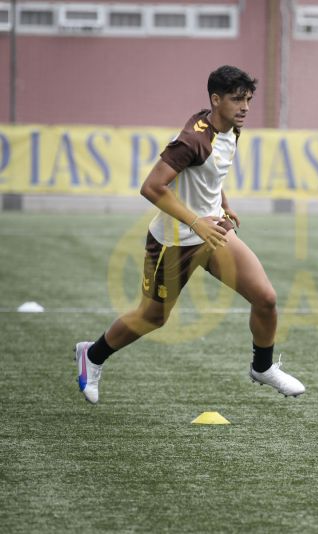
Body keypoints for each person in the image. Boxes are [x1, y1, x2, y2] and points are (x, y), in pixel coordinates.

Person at [74, 65, 304, 404]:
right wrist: (196, 222)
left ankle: (262, 367)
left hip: (212, 232)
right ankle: (91, 356)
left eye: (248, 99)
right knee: (152, 317)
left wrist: (222, 203)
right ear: (215, 99)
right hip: (175, 242)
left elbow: (212, 173)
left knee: (266, 299)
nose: (245, 107)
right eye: (237, 99)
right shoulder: (193, 140)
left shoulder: (230, 128)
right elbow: (151, 187)